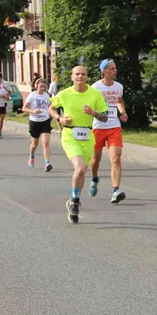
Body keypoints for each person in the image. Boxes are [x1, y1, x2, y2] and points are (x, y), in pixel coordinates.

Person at [47, 65, 109, 224]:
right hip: (69, 135)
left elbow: (105, 117)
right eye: (77, 74)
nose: (80, 76)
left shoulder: (95, 94)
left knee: (82, 173)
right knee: (80, 168)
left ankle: (74, 199)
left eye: (83, 74)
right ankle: (74, 200)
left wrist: (93, 113)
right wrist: (59, 119)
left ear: (87, 77)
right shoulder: (65, 93)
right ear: (72, 77)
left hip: (87, 135)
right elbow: (51, 108)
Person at [88, 59, 129, 203]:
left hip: (114, 127)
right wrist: (97, 114)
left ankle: (116, 190)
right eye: (112, 68)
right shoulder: (95, 88)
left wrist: (122, 112)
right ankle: (94, 178)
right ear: (105, 71)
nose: (115, 71)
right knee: (95, 160)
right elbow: (89, 107)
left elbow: (119, 100)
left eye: (115, 68)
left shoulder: (119, 86)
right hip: (98, 128)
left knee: (116, 158)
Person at [23, 79, 54, 172]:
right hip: (34, 121)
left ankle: (47, 163)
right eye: (41, 86)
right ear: (37, 86)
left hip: (45, 120)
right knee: (34, 144)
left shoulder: (47, 96)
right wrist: (33, 111)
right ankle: (31, 156)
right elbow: (24, 108)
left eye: (44, 87)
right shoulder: (32, 95)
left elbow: (50, 107)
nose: (42, 89)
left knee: (45, 143)